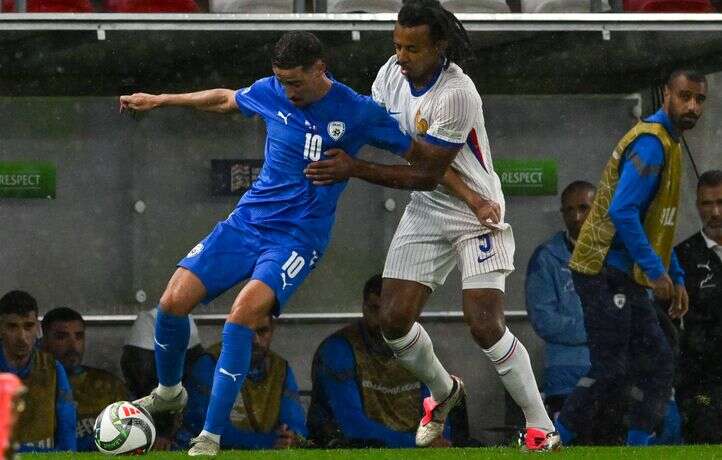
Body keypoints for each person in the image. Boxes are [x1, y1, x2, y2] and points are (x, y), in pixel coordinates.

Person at [119, 31, 457, 456]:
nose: (288, 91)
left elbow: (426, 161)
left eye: (295, 82)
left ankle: (210, 435)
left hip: (297, 237)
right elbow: (225, 99)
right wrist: (159, 100)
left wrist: (356, 166)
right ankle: (169, 392)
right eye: (282, 81)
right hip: (246, 223)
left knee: (241, 318)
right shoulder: (272, 91)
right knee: (171, 302)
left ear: (320, 69)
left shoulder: (358, 111)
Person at [305, 0, 558, 450]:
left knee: (483, 323)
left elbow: (425, 170)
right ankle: (444, 392)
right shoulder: (390, 73)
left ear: (439, 46)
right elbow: (374, 127)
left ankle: (542, 429)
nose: (402, 57)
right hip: (428, 206)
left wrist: (355, 168)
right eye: (397, 46)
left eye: (413, 49)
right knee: (393, 319)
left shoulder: (457, 93)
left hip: (473, 215)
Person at [556, 69, 706, 446]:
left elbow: (658, 224)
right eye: (684, 96)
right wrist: (658, 272)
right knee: (613, 369)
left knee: (658, 361)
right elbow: (623, 212)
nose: (692, 106)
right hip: (603, 270)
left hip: (626, 273)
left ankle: (636, 448)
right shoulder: (652, 144)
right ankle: (550, 438)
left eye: (699, 99)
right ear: (666, 95)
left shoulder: (669, 143)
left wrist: (677, 275)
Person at [309, 274, 471, 448]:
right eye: (374, 309)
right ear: (363, 307)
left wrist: (439, 440)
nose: (382, 319)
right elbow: (350, 424)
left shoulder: (417, 346)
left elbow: (436, 407)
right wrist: (415, 445)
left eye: (390, 310)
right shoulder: (339, 350)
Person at [180, 314, 307, 450]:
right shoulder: (210, 363)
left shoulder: (280, 368)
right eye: (247, 332)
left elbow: (295, 421)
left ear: (272, 330)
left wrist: (292, 436)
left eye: (262, 331)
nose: (255, 340)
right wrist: (269, 442)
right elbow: (210, 431)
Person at [526, 181, 595, 419]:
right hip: (564, 375)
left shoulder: (618, 254)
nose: (577, 217)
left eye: (584, 208)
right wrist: (599, 329)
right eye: (569, 210)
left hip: (613, 372)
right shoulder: (546, 257)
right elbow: (544, 319)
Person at [674, 169, 722, 443]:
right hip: (701, 382)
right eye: (707, 203)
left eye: (721, 203)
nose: (714, 212)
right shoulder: (682, 256)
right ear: (697, 205)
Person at [40, 307, 128, 452]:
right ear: (44, 340)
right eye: (62, 337)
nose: (73, 346)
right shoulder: (34, 385)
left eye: (79, 336)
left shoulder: (107, 385)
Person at [0, 291, 76, 452]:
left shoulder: (53, 369)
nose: (22, 337)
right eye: (12, 327)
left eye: (28, 326)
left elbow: (67, 427)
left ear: (37, 328)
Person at [121, 308, 204, 450]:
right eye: (136, 359)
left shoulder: (201, 396)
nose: (140, 371)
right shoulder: (120, 397)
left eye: (148, 362)